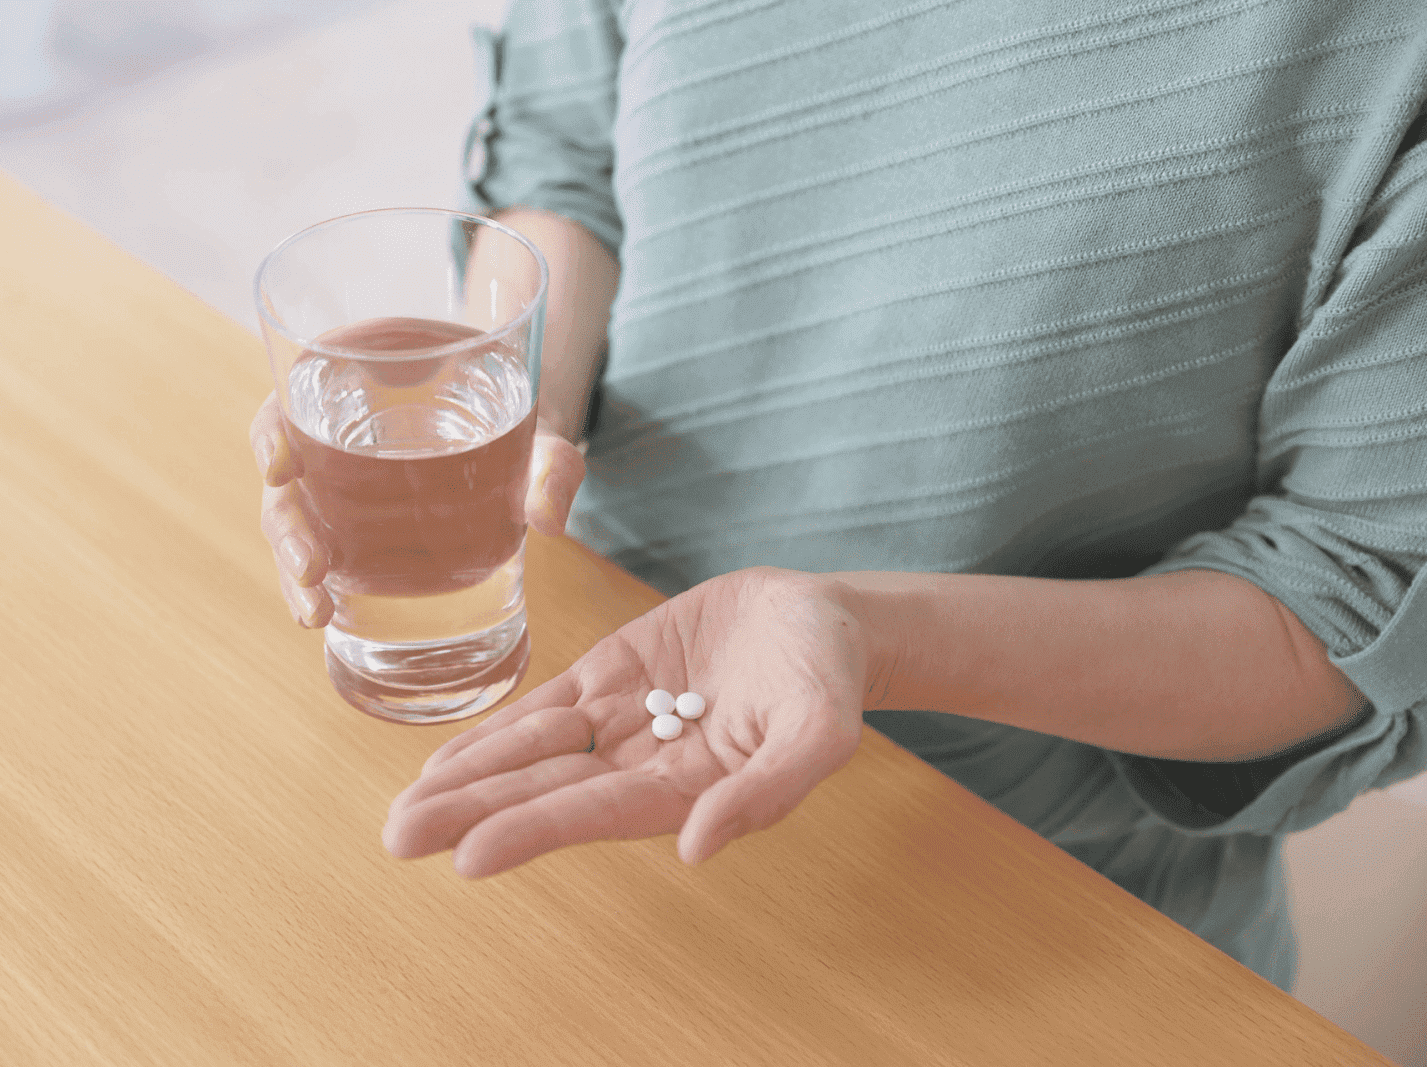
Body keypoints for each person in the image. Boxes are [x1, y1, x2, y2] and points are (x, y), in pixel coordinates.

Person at [250, 0, 1427, 991]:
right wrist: (503, 405)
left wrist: (869, 639)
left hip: (1021, 921)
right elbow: (566, 158)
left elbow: (1341, 605)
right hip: (581, 742)